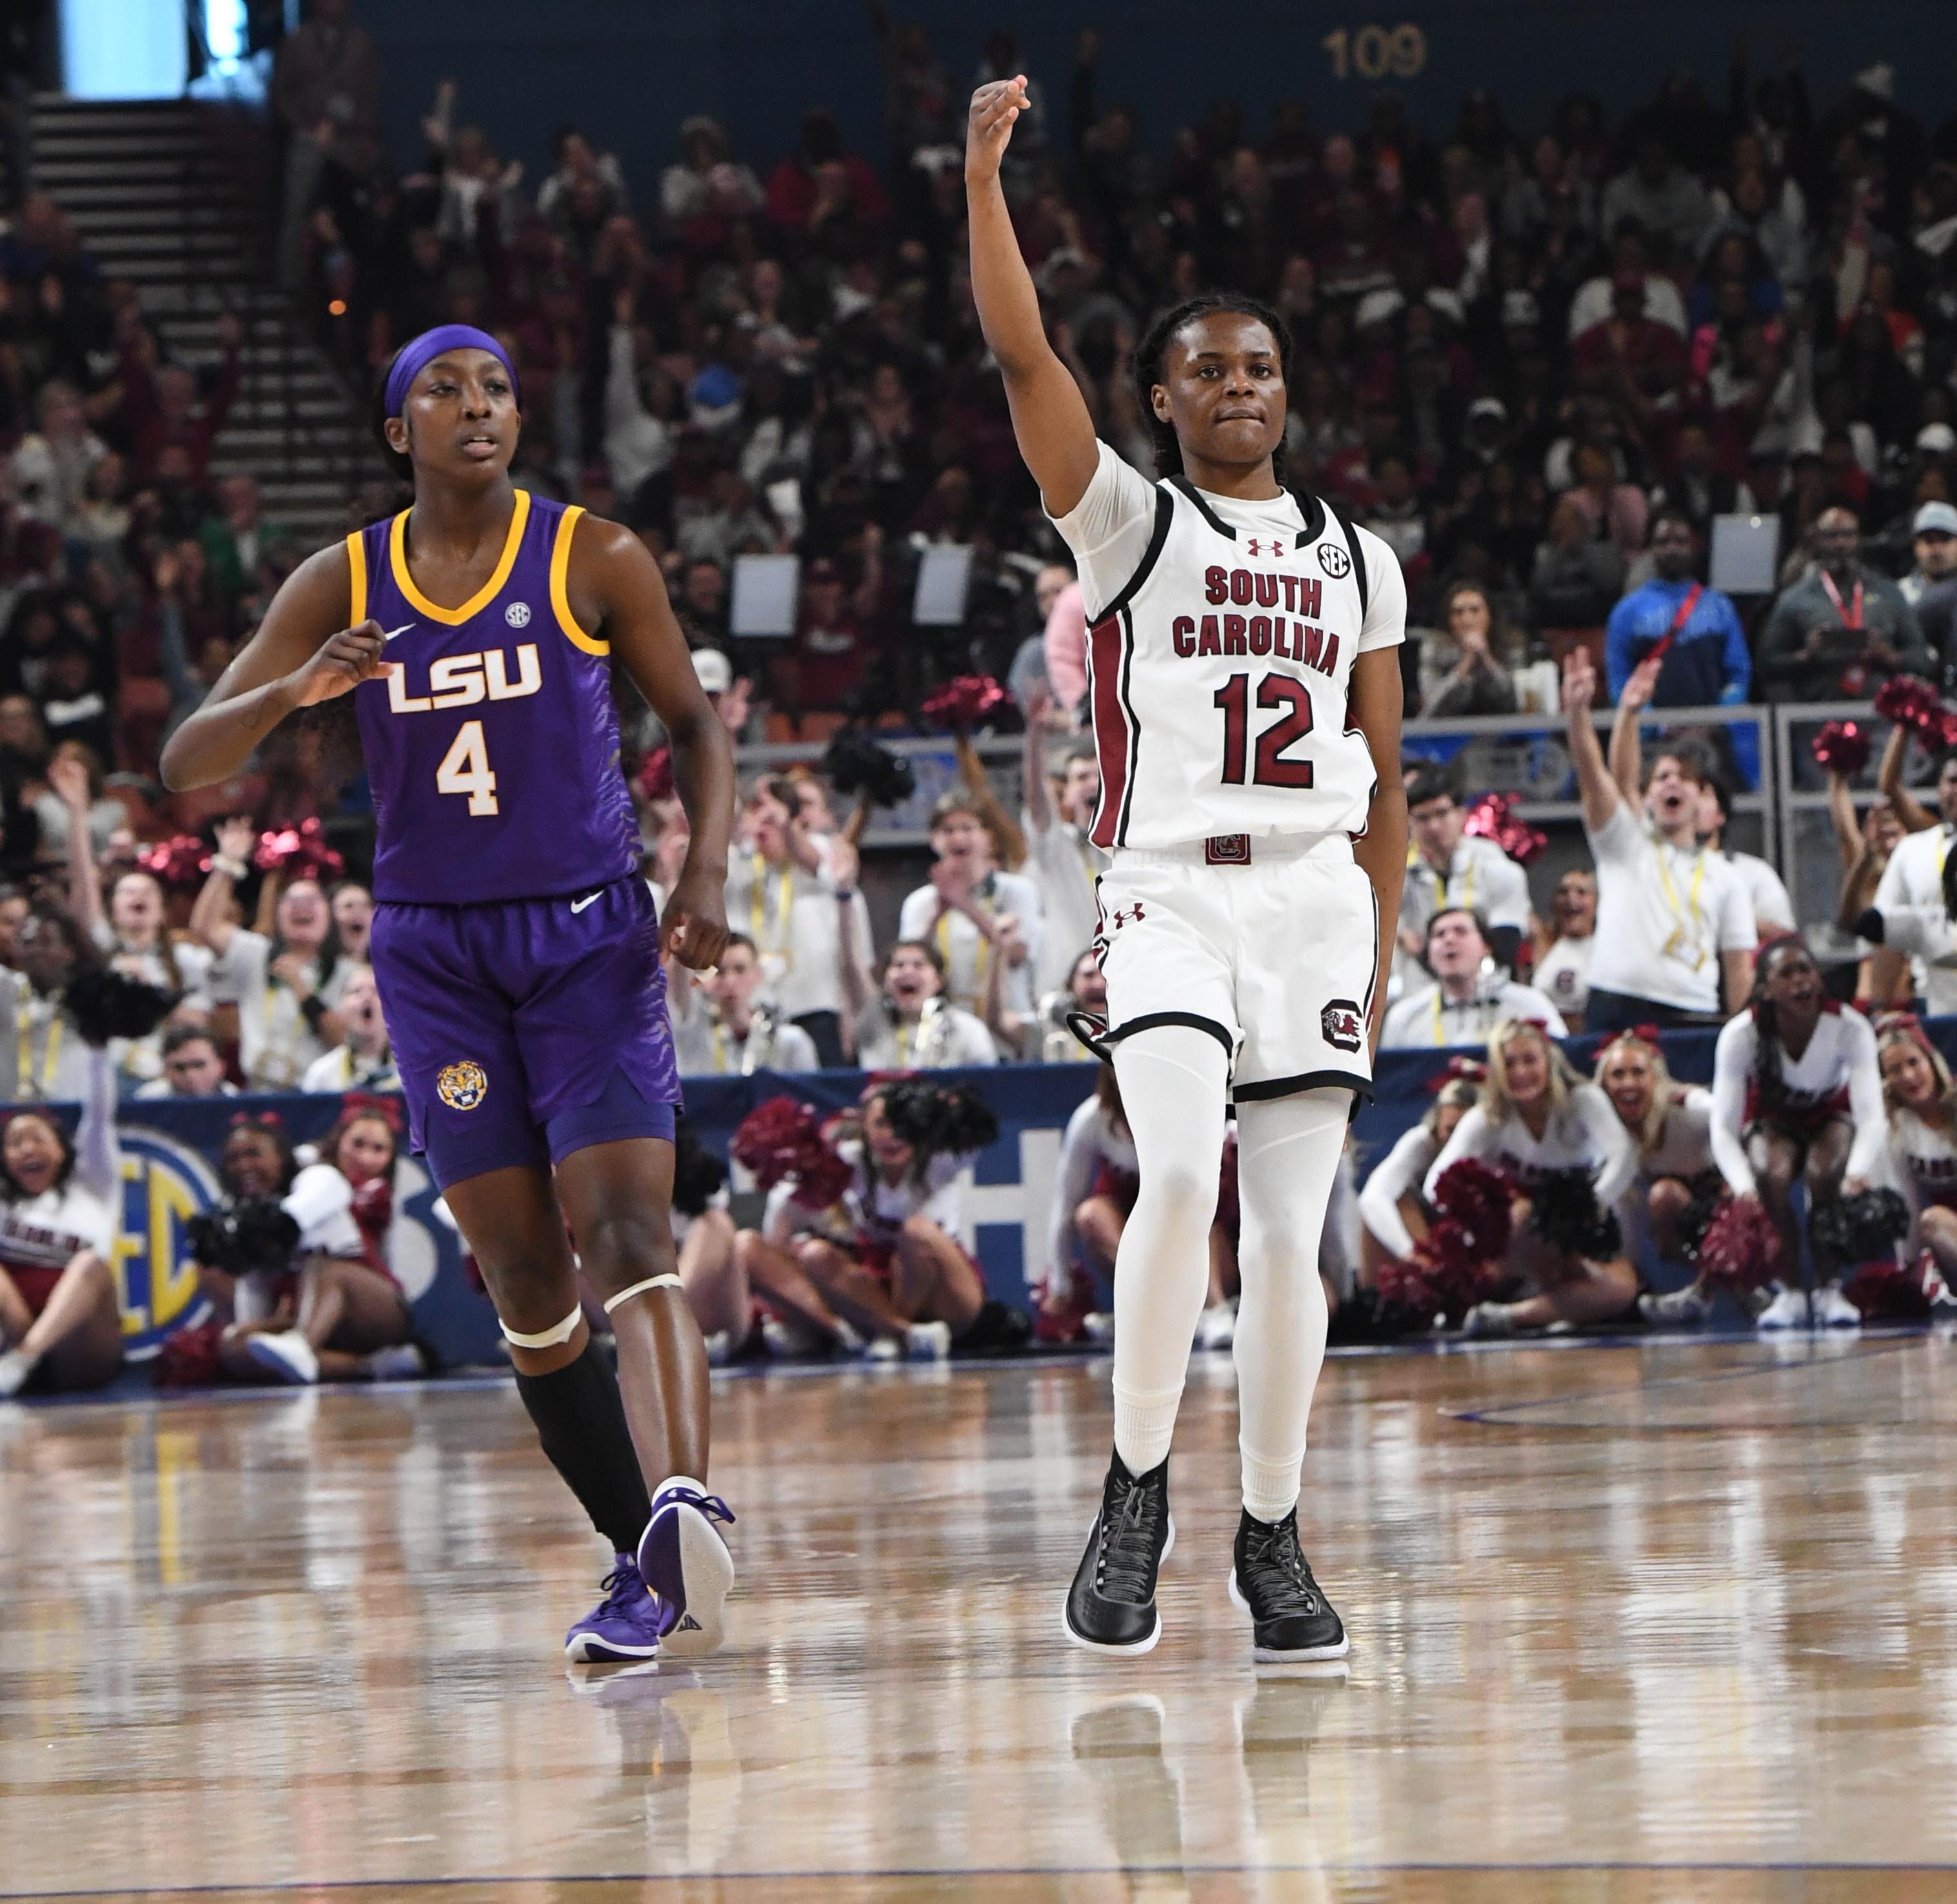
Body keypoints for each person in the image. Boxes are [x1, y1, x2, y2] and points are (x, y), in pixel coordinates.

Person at [159, 324, 740, 1667]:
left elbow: (693, 725)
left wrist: (701, 867)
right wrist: (292, 695)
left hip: (586, 932)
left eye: (496, 390)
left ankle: (683, 1500)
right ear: (395, 429)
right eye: (445, 389)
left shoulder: (593, 553)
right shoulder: (341, 578)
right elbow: (191, 760)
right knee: (525, 1279)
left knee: (628, 1233)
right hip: (435, 954)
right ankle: (637, 1562)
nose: (477, 408)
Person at [969, 74, 1408, 1665]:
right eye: (1206, 367)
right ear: (1159, 397)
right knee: (1173, 1170)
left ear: (1288, 390)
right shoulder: (1127, 526)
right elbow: (1024, 354)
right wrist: (981, 183)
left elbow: (1388, 777)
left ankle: (1273, 1528)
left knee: (1294, 1235)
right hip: (1165, 883)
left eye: (1260, 365)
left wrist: (1377, 937)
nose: (1238, 384)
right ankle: (1134, 1484)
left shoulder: (1360, 557)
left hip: (1316, 895)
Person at [1564, 648, 1755, 1033]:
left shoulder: (1727, 876)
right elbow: (1596, 779)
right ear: (1645, 799)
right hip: (1616, 1002)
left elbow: (1739, 964)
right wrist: (1581, 715)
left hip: (1693, 1008)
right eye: (1661, 778)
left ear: (1704, 801)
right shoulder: (1626, 844)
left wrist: (1741, 1033)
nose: (1671, 782)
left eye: (1684, 778)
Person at [1707, 937, 1887, 1331]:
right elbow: (1722, 1126)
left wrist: (1857, 1172)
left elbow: (1872, 1116)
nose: (1800, 981)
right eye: (1786, 974)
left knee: (1825, 1174)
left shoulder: (1850, 1026)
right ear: (1765, 989)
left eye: (1806, 970)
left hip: (1829, 1116)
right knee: (1770, 1174)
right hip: (1774, 1120)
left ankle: (1829, 1289)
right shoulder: (1741, 1035)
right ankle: (1789, 1292)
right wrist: (1742, 1188)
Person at [1423, 1018, 1640, 1338]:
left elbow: (1624, 1155)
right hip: (1521, 1244)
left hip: (1584, 1234)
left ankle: (1512, 1315)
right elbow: (1436, 1184)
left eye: (1530, 1060)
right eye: (1509, 1063)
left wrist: (1596, 1202)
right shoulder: (1487, 1118)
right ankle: (1545, 1301)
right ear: (1496, 1071)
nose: (1521, 1072)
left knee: (1621, 1290)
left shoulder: (1582, 1100)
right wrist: (1478, 1220)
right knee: (1522, 1213)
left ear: (1548, 1061)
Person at [758, 1082, 995, 1360]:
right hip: (885, 1281)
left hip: (943, 1288)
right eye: (881, 1123)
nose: (892, 1134)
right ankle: (900, 1332)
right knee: (815, 1255)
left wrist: (946, 1105)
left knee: (916, 1232)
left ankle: (892, 1333)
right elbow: (792, 1179)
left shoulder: (938, 1161)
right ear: (865, 1129)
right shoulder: (850, 1161)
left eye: (902, 1123)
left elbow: (981, 1130)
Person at [200, 1113, 421, 1387]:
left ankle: (304, 1347)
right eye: (233, 1159)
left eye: (254, 1154)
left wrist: (245, 1234)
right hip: (308, 1319)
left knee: (324, 1266)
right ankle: (373, 1366)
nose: (243, 1166)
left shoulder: (320, 1179)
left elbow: (288, 1222)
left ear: (281, 1156)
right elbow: (254, 1296)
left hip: (369, 1309)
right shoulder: (244, 1214)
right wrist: (253, 1331)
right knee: (234, 1348)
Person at [0, 1038, 123, 1397]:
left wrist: (98, 1052)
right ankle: (19, 1361)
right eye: (15, 1143)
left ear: (61, 1147)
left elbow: (100, 1116)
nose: (27, 1149)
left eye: (37, 1138)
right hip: (15, 1329)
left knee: (90, 1264)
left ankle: (23, 1361)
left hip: (80, 1350)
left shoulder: (94, 1188)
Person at [189, 824, 351, 1091]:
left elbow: (344, 1039)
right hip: (257, 1090)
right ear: (277, 915)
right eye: (292, 901)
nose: (302, 907)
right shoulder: (256, 954)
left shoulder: (348, 972)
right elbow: (205, 927)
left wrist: (302, 990)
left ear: (330, 917)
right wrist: (227, 864)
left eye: (312, 901)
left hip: (317, 1096)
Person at [724, 777, 871, 1068]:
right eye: (760, 818)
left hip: (816, 1008)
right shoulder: (741, 866)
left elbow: (818, 864)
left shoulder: (819, 850)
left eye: (774, 820)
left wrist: (786, 825)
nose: (766, 827)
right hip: (754, 1011)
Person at [1582, 1029, 1718, 1322]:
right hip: (1678, 1216)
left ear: (1655, 1078)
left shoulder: (1684, 1108)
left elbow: (1728, 1118)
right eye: (1618, 1075)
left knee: (1664, 1194)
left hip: (1725, 1199)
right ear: (1603, 1084)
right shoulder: (1609, 1130)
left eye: (1638, 1072)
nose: (1628, 1083)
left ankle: (1727, 1278)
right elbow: (1624, 1201)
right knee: (1658, 1196)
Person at [895, 790, 1044, 1039]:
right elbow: (911, 964)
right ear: (934, 841)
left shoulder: (1018, 891)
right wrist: (938, 914)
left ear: (988, 838)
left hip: (1007, 1021)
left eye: (967, 828)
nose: (958, 838)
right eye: (948, 830)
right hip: (945, 1028)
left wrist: (966, 906)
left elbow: (1018, 955)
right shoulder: (919, 902)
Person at [1756, 506, 1927, 701]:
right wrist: (1806, 656)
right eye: (1831, 536)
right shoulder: (1795, 598)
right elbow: (1767, 664)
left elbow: (1921, 659)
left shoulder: (1889, 593)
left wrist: (1888, 656)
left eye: (1848, 535)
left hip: (1879, 713)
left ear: (1859, 539)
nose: (1840, 544)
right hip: (1816, 715)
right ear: (1817, 541)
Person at [1602, 510, 1751, 708]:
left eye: (1680, 542)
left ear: (1694, 547)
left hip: (1712, 731)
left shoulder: (1720, 607)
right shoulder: (1627, 611)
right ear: (1651, 550)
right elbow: (1619, 680)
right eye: (1663, 542)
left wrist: (1718, 721)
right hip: (1653, 734)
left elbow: (1739, 674)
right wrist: (1654, 726)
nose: (1672, 549)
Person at [1400, 769, 1531, 980]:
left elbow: (1503, 951)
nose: (1433, 827)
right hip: (1420, 996)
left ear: (1462, 815)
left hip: (1487, 988)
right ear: (1408, 823)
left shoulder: (1498, 868)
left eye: (1442, 814)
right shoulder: (1397, 873)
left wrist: (1421, 952)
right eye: (1422, 818)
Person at [1355, 1068, 1480, 1291]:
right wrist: (1409, 1253)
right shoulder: (1422, 1143)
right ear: (1437, 1121)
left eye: (1467, 1131)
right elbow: (1373, 1198)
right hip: (1428, 1246)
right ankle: (1376, 1300)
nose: (1458, 1141)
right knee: (1394, 1202)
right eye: (1451, 1130)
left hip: (1476, 1244)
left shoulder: (1491, 1143)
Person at [1020, 683, 1105, 997]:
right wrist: (1035, 735)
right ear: (1067, 794)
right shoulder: (1057, 848)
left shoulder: (1133, 846)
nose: (1091, 784)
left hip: (1127, 985)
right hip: (1064, 991)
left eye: (1099, 776)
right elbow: (1038, 804)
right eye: (1081, 777)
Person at [1380, 907, 1567, 1049]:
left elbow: (1563, 1059)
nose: (1449, 940)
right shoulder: (1403, 1017)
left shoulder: (1529, 1005)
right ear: (1429, 954)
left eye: (1461, 931)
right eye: (1439, 934)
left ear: (1486, 947)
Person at [1862, 748, 1957, 1014]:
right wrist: (1880, 1010)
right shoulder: (1913, 849)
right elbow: (1888, 934)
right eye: (1953, 780)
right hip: (1938, 1012)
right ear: (1939, 788)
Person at [1874, 1015, 1957, 1309]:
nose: (1909, 1077)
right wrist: (1907, 1269)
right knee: (1932, 1222)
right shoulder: (1897, 1128)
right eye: (1895, 1070)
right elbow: (1908, 1205)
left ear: (1931, 1061)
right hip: (1951, 1235)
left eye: (1913, 1063)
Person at [670, 932, 819, 1075]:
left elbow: (809, 1097)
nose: (730, 981)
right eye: (719, 972)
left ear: (757, 975)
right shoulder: (695, 1039)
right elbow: (680, 989)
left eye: (740, 970)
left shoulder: (790, 1042)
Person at [851, 940, 999, 1071]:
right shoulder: (872, 1029)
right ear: (885, 982)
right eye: (899, 965)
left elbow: (986, 1081)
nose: (907, 971)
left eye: (919, 965)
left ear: (939, 981)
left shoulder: (968, 1029)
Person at [1418, 581, 1518, 718]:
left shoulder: (1509, 644)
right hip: (1446, 732)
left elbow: (1514, 702)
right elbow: (1431, 707)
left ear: (1490, 616)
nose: (1467, 620)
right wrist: (1465, 665)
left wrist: (1486, 658)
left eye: (1475, 610)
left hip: (1500, 732)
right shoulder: (1435, 648)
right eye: (1458, 613)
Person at [300, 963, 399, 1093]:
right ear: (340, 1009)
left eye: (376, 991)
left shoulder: (411, 1072)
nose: (367, 998)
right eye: (356, 991)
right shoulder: (322, 1073)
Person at [1532, 869, 1598, 1030]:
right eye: (1563, 892)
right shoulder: (1541, 941)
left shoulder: (1605, 949)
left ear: (1596, 903)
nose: (1571, 898)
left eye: (1581, 892)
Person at [1033, 946, 1106, 1064]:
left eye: (1105, 976)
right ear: (1070, 985)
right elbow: (999, 1023)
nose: (1098, 984)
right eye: (1089, 975)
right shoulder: (1048, 1030)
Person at [135, 1023, 239, 1098]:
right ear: (166, 1071)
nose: (190, 1075)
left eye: (199, 1065)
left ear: (221, 1067)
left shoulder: (235, 1100)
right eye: (179, 1068)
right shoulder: (148, 1100)